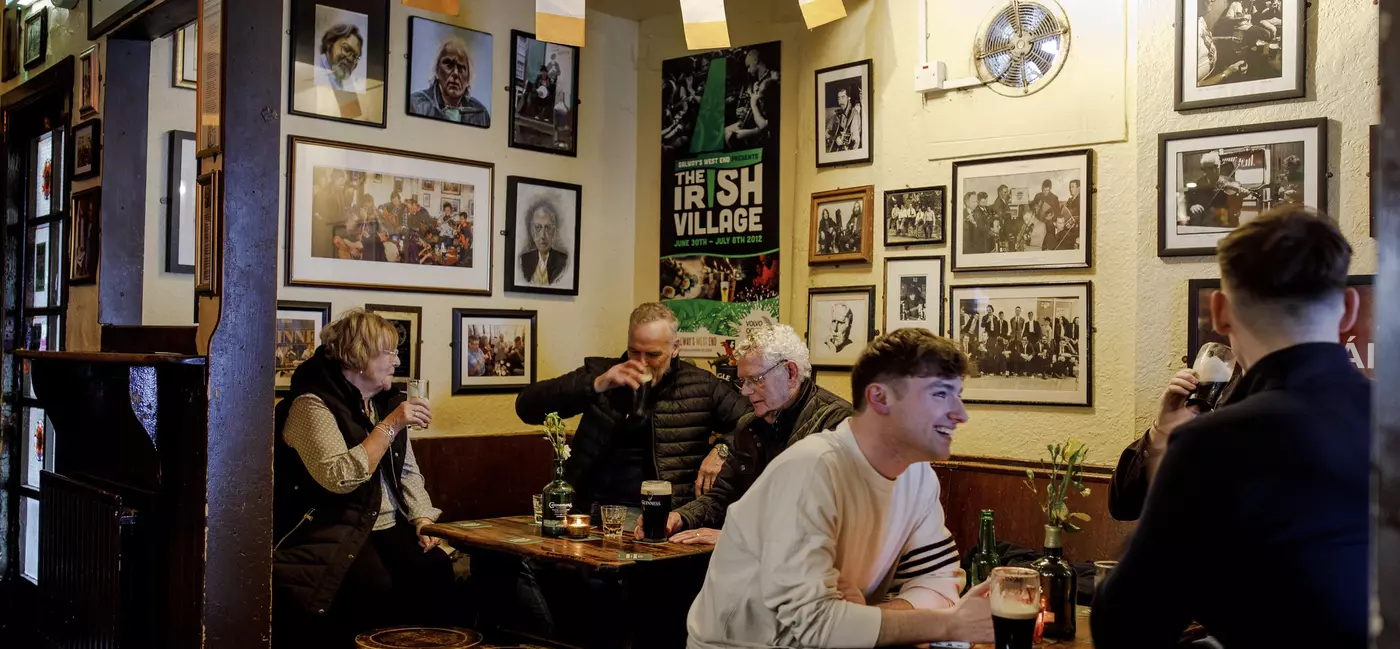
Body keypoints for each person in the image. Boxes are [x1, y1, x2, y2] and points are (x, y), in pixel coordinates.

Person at [1092, 206, 1369, 649]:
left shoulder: (1215, 443)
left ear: (1220, 312)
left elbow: (1126, 628)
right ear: (1349, 308)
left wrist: (1170, 471)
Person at [687, 329, 994, 648]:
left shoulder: (917, 477)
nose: (960, 414)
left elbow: (939, 584)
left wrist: (859, 619)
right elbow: (816, 628)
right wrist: (947, 625)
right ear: (879, 399)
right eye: (940, 395)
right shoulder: (812, 470)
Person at [515, 303, 749, 517]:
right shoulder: (601, 372)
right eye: (634, 351)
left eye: (653, 354)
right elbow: (527, 407)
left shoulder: (701, 385)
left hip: (665, 513)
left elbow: (754, 419)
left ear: (676, 347)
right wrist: (596, 384)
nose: (642, 362)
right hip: (591, 509)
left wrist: (721, 450)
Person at [645, 325, 854, 545]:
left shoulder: (836, 423)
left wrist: (736, 538)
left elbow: (826, 518)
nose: (744, 391)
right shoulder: (749, 425)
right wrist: (680, 517)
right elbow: (723, 496)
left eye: (755, 380)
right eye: (742, 382)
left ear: (791, 373)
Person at [293, 23, 384, 123]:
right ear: (329, 45)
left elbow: (352, 121)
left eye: (354, 56)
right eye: (346, 49)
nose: (350, 58)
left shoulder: (346, 84)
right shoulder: (308, 73)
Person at [408, 38, 490, 127]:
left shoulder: (481, 113)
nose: (455, 73)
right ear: (437, 70)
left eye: (461, 67)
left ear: (468, 79)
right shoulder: (416, 104)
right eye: (449, 64)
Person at [725, 49, 779, 148]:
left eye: (748, 67)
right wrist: (744, 111)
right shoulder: (757, 81)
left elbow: (765, 113)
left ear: (755, 61)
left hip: (764, 125)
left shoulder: (769, 81)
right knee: (726, 132)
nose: (748, 71)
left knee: (732, 137)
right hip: (756, 121)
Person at [519, 196, 569, 286]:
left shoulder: (563, 262)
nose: (543, 236)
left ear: (553, 231)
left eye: (547, 228)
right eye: (538, 228)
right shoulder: (523, 260)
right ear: (531, 231)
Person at [826, 86, 862, 152]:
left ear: (848, 98)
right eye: (839, 98)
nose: (840, 102)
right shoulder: (837, 115)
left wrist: (843, 142)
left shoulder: (854, 115)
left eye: (843, 97)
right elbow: (826, 133)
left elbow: (856, 142)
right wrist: (835, 138)